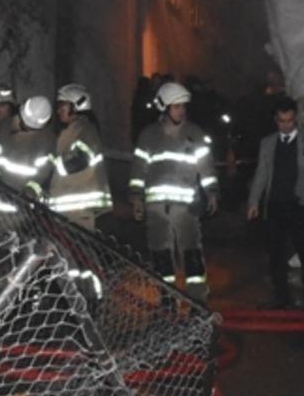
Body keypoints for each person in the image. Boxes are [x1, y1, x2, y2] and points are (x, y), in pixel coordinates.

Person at [130, 81, 219, 303]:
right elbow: (138, 171)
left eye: (183, 106)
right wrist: (136, 199)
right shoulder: (149, 136)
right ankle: (167, 301)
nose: (181, 110)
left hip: (186, 209)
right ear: (164, 107)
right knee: (161, 256)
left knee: (191, 254)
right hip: (156, 209)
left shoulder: (194, 134)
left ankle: (198, 301)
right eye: (176, 106)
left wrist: (212, 193)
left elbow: (206, 168)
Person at [246, 96, 304, 310]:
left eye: (289, 120)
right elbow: (261, 174)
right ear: (276, 119)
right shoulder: (268, 143)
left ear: (296, 118)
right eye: (282, 121)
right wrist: (254, 201)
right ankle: (281, 295)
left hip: (299, 204)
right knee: (276, 253)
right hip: (275, 205)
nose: (285, 125)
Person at [47, 83, 111, 230]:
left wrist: (51, 162)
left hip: (80, 209)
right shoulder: (72, 130)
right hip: (71, 208)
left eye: (63, 106)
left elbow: (81, 159)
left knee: (81, 251)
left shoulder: (85, 129)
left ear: (76, 106)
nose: (58, 111)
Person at [0, 95, 56, 202]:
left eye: (31, 128)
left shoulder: (47, 140)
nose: (27, 129)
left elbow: (44, 171)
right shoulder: (3, 128)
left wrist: (30, 190)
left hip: (24, 205)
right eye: (25, 125)